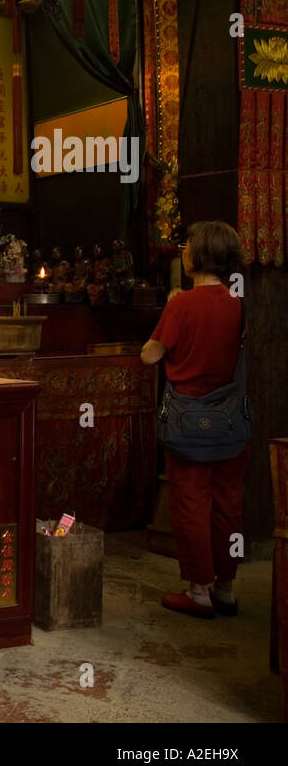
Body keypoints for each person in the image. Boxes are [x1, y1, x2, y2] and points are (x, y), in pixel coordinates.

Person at [140, 221, 248, 619]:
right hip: (231, 419)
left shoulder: (181, 304)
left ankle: (198, 591)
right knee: (227, 503)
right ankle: (226, 587)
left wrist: (168, 315)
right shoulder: (238, 302)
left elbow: (151, 355)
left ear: (198, 256)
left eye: (186, 246)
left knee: (191, 503)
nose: (181, 251)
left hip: (190, 418)